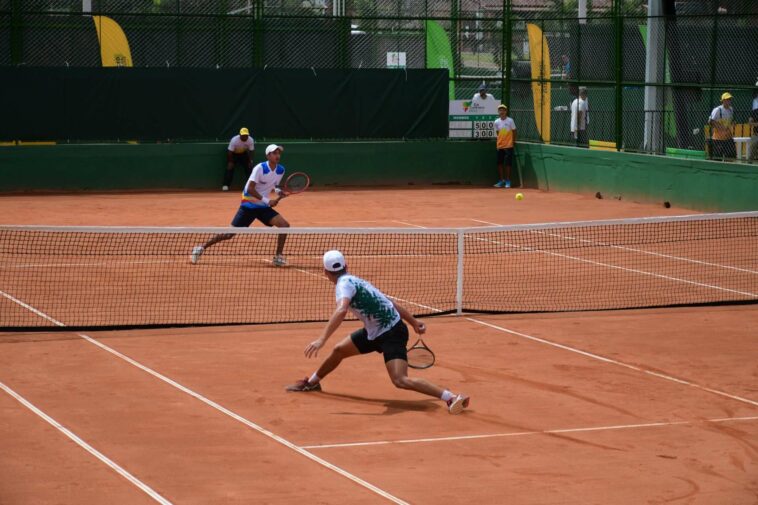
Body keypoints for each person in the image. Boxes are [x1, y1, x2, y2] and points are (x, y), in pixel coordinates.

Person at [285, 250, 471, 415]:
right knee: (339, 350)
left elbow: (342, 310)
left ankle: (450, 397)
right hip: (374, 331)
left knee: (400, 380)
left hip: (392, 333)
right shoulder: (356, 280)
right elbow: (389, 302)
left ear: (325, 272)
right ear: (346, 266)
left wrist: (321, 339)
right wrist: (413, 322)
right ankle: (312, 382)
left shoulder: (343, 285)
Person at [191, 144, 290, 266]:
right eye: (274, 153)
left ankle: (278, 256)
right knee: (229, 234)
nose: (277, 155)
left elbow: (275, 186)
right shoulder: (260, 168)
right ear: (268, 155)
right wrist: (267, 201)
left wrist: (280, 192)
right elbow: (250, 189)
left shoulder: (281, 170)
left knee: (284, 225)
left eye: (278, 153)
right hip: (249, 204)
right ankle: (200, 248)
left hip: (263, 207)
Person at [223, 127, 255, 191]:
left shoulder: (250, 140)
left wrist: (250, 161)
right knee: (229, 168)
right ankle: (226, 185)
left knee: (249, 168)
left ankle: (250, 186)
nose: (245, 137)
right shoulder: (234, 140)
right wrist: (231, 161)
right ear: (240, 135)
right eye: (243, 135)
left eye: (246, 135)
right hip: (233, 154)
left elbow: (251, 151)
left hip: (244, 154)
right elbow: (230, 152)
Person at [493, 104, 517, 188]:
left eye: (503, 110)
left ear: (506, 111)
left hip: (509, 146)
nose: (501, 111)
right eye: (500, 110)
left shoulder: (510, 120)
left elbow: (514, 131)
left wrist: (513, 141)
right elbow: (498, 133)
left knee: (508, 164)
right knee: (499, 163)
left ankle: (507, 181)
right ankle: (501, 180)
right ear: (498, 112)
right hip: (500, 146)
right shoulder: (496, 122)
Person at [709, 92, 736, 161]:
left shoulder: (731, 109)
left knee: (731, 156)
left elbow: (730, 120)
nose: (729, 101)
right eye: (727, 99)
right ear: (723, 101)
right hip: (718, 139)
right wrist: (720, 127)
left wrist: (733, 122)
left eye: (730, 99)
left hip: (728, 137)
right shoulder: (718, 110)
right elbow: (711, 121)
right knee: (718, 158)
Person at [749, 83, 758, 163]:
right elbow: (750, 122)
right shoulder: (755, 111)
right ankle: (750, 162)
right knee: (753, 144)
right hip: (756, 134)